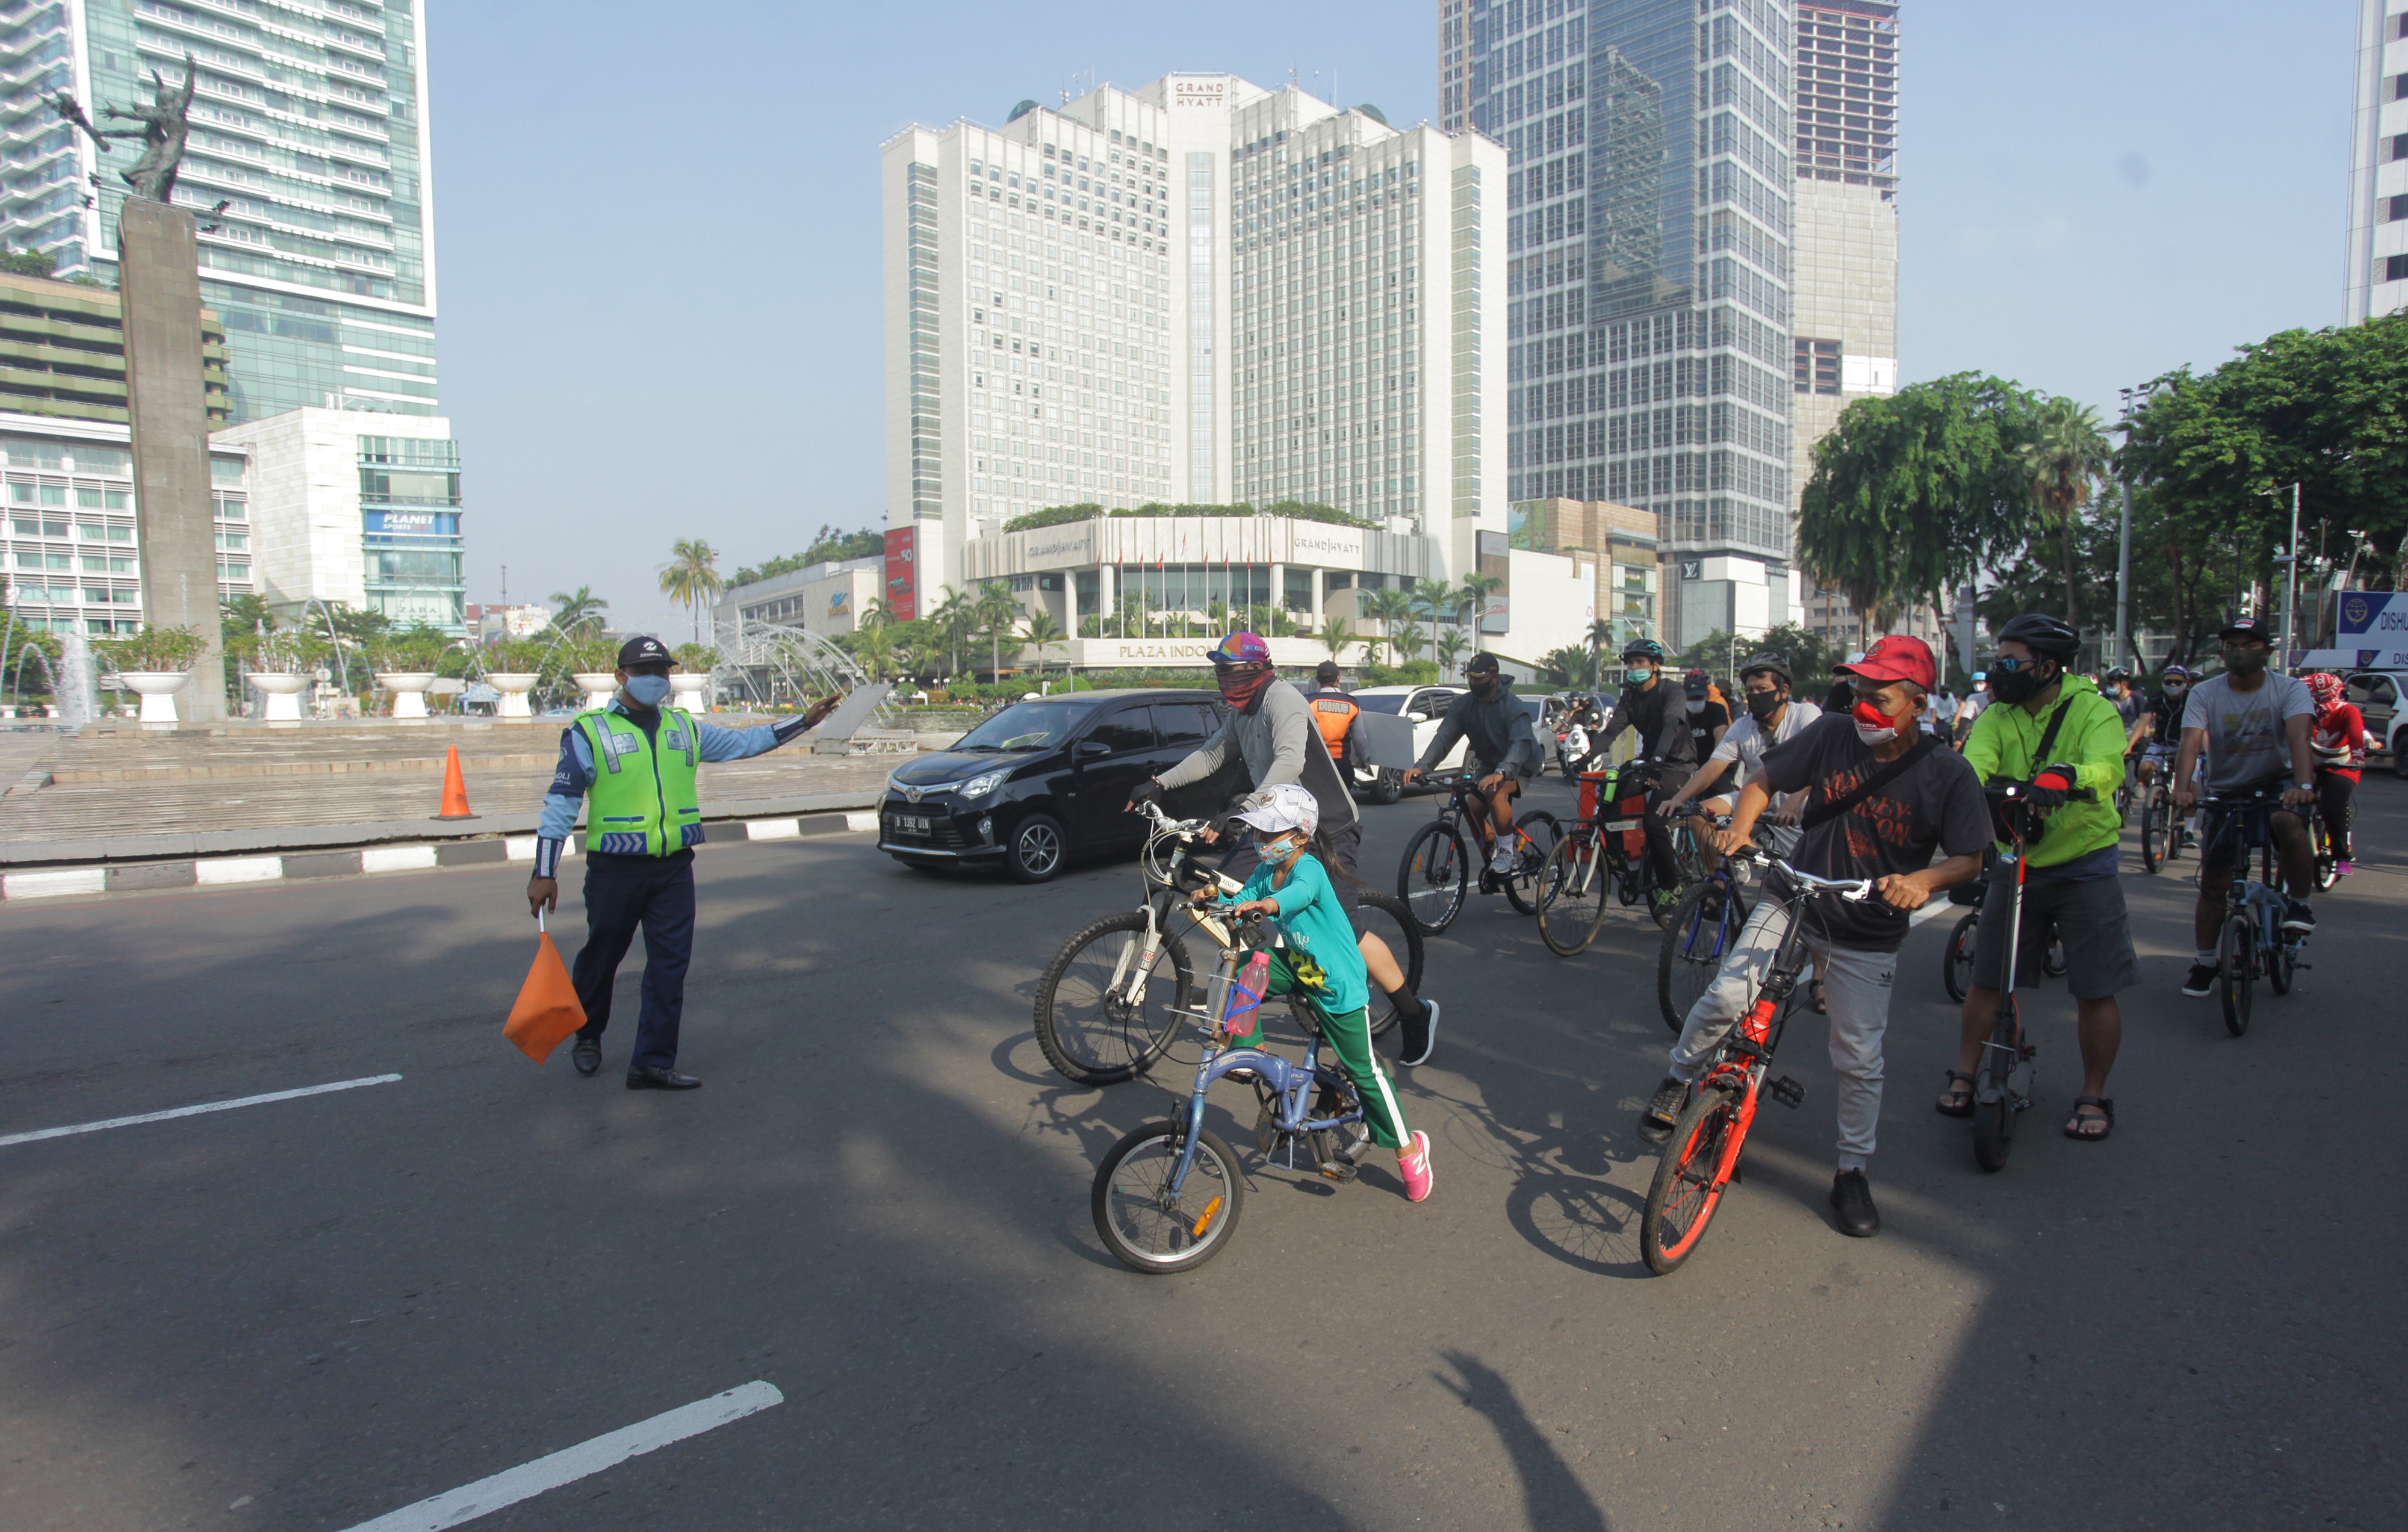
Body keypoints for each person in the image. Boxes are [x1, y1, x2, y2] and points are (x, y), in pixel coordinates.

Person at [1638, 634, 1988, 1238]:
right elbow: (1761, 781)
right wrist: (1740, 831)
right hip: (1795, 894)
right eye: (1857, 692)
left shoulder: (1945, 771)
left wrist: (1923, 879)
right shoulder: (1832, 733)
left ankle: (1851, 1169)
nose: (1863, 706)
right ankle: (1677, 1079)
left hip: (1867, 926)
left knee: (1857, 1058)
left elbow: (1971, 859)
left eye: (1879, 697)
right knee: (1727, 995)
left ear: (1916, 701)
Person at [528, 636, 840, 1088]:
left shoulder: (685, 728)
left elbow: (745, 742)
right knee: (602, 956)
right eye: (644, 672)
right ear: (621, 677)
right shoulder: (588, 731)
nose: (656, 680)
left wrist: (803, 723)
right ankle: (588, 1034)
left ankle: (652, 1061)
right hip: (615, 869)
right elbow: (561, 802)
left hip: (673, 868)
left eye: (663, 672)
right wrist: (544, 871)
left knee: (669, 966)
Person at [1132, 633, 1439, 1065]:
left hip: (1326, 825)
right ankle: (1256, 978)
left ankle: (1413, 1011)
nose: (1226, 679)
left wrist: (1246, 808)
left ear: (1259, 671)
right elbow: (1212, 754)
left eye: (1233, 671)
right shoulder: (1241, 712)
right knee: (1223, 887)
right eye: (1220, 671)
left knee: (1346, 931)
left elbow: (1290, 761)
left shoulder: (1283, 700)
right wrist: (1159, 782)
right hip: (1275, 825)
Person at [1944, 614, 2140, 1142]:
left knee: (2095, 989)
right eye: (1997, 660)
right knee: (1988, 976)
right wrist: (1961, 790)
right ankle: (1965, 1072)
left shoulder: (2093, 709)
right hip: (2018, 860)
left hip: (2084, 864)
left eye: (2011, 662)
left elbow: (2108, 767)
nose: (2000, 671)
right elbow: (1974, 765)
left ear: (2048, 667)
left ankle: (2094, 1093)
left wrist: (2068, 776)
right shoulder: (1995, 713)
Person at [1206, 783, 1433, 1202]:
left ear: (1300, 835)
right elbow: (1243, 895)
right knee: (1249, 965)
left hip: (1337, 985)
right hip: (1300, 966)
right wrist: (1212, 894)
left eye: (1269, 834)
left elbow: (1298, 894)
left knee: (1366, 1073)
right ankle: (1249, 1049)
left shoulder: (1308, 867)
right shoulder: (1266, 871)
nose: (1260, 842)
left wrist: (1272, 906)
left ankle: (1409, 1149)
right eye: (1257, 833)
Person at [2173, 616, 2319, 998]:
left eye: (2249, 645)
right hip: (2226, 788)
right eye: (2232, 646)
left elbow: (2299, 736)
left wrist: (2303, 786)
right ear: (2222, 653)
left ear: (2267, 652)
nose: (2240, 652)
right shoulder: (2204, 693)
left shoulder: (2290, 689)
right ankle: (2206, 961)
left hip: (2278, 782)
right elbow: (2190, 743)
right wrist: (2183, 789)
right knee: (2214, 881)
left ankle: (2300, 905)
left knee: (2289, 822)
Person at [1658, 653, 1823, 861]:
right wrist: (1679, 799)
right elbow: (1713, 767)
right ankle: (1717, 881)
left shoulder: (1806, 715)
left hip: (1802, 808)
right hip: (1758, 802)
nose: (1755, 695)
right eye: (1750, 690)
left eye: (1762, 689)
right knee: (1698, 816)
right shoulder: (1743, 727)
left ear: (1783, 691)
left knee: (1799, 876)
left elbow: (1816, 763)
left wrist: (1792, 804)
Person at [1400, 651, 1545, 880]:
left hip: (1521, 761)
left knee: (1495, 794)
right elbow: (1444, 738)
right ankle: (1497, 850)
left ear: (1495, 679)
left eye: (1480, 678)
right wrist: (1423, 767)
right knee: (1475, 807)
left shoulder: (1513, 706)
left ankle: (1508, 853)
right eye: (1471, 678)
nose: (1474, 683)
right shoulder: (1464, 705)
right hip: (1489, 762)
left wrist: (1502, 772)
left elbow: (1521, 743)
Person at [1577, 637, 1699, 905]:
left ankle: (1672, 886)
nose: (1634, 668)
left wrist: (1658, 758)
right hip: (1648, 762)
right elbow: (1611, 731)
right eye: (1630, 663)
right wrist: (1586, 757)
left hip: (1678, 764)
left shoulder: (1672, 691)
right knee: (1609, 792)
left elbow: (1671, 724)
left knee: (1654, 822)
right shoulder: (1631, 697)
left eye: (1640, 662)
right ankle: (1616, 857)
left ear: (1655, 666)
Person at [2304, 671, 2368, 875]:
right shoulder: (2302, 711)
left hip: (2343, 766)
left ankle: (2341, 856)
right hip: (2308, 764)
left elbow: (2356, 735)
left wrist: (2358, 757)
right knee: (2286, 805)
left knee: (2332, 808)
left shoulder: (2347, 711)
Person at [2133, 663, 2191, 797]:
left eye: (2178, 682)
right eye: (2168, 682)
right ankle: (2143, 787)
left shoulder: (2192, 698)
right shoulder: (2156, 697)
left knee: (2190, 786)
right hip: (2159, 743)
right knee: (2145, 767)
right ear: (2163, 683)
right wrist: (2129, 747)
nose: (2173, 686)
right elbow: (2142, 724)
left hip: (2184, 745)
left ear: (2186, 683)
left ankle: (2187, 819)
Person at [1306, 659, 1367, 780]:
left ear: (1317, 679)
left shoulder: (1308, 702)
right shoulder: (1352, 704)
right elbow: (1360, 739)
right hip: (1342, 766)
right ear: (1338, 678)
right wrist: (1364, 759)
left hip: (1315, 765)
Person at [1682, 669, 1732, 763]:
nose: (1695, 701)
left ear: (1707, 696)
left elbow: (1720, 738)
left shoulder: (1717, 710)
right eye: (1691, 698)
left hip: (1712, 761)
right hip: (1685, 765)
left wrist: (1712, 766)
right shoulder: (1678, 712)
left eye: (1699, 698)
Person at [1951, 672, 1990, 749]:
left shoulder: (1992, 695)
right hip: (1972, 723)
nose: (1978, 685)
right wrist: (1956, 722)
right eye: (1975, 683)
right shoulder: (1971, 696)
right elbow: (1962, 709)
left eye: (1980, 682)